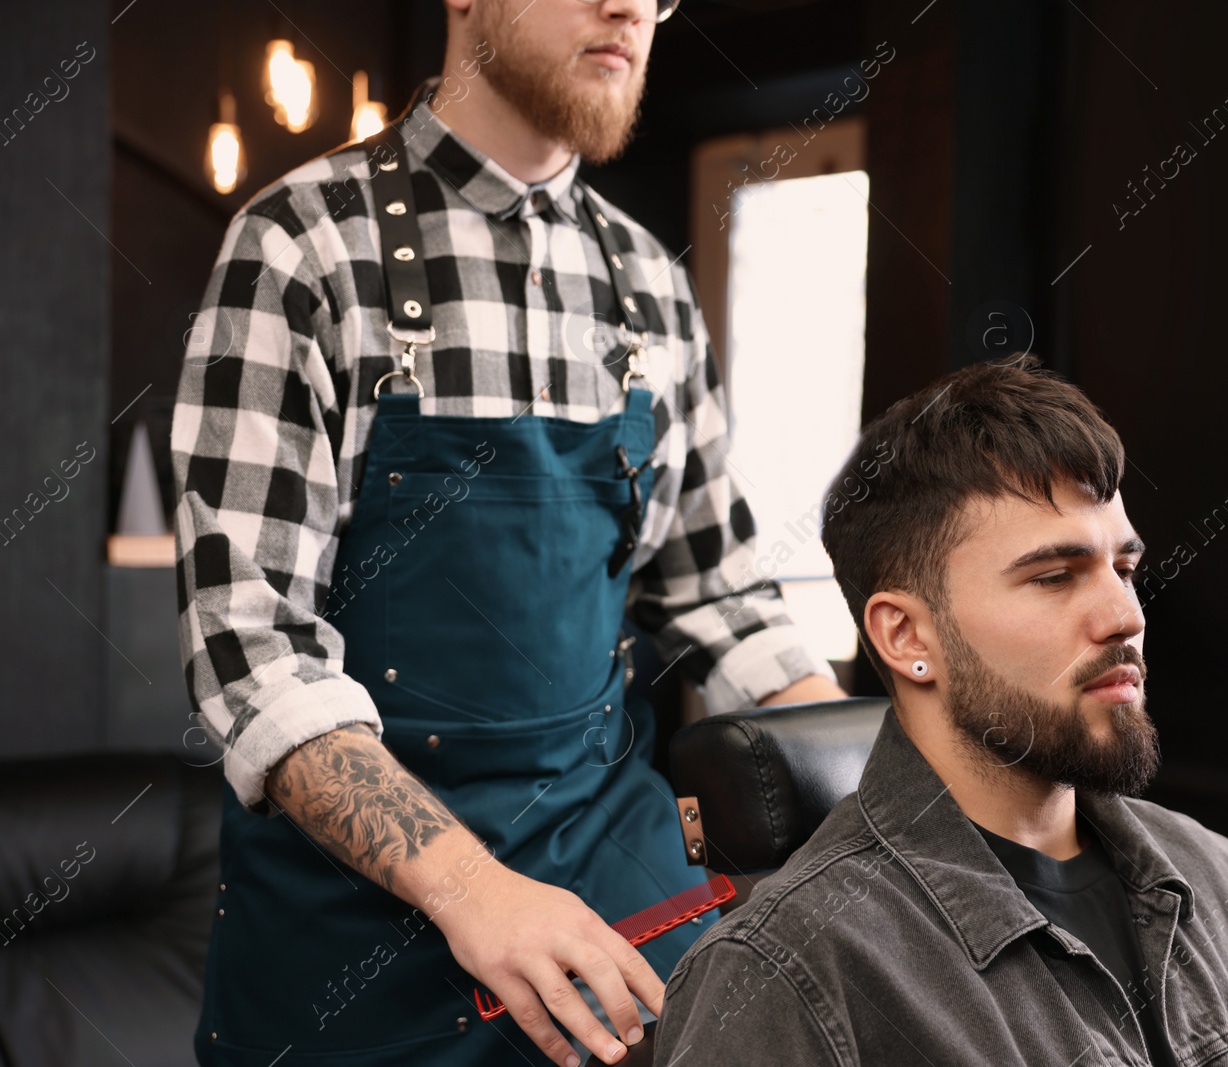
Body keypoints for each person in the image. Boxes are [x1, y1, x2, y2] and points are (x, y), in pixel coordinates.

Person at [170, 1, 845, 1065]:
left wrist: (891, 785)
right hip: (357, 944)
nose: (628, 4)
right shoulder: (300, 246)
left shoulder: (651, 286)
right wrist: (473, 888)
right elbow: (253, 652)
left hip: (617, 888)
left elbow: (721, 591)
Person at [653, 356, 1228, 1065]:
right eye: (1055, 576)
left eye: (1125, 569)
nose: (1124, 615)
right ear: (907, 636)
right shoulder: (789, 976)